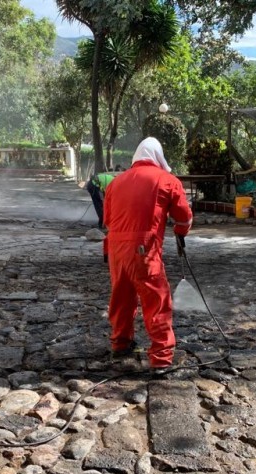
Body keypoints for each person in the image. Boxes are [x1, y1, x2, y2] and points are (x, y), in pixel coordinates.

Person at [103, 137, 192, 372]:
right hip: (144, 249)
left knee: (121, 296)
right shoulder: (167, 180)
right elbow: (184, 216)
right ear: (158, 156)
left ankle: (120, 343)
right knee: (156, 300)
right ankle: (161, 359)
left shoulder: (115, 183)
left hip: (115, 249)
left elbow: (108, 221)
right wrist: (181, 232)